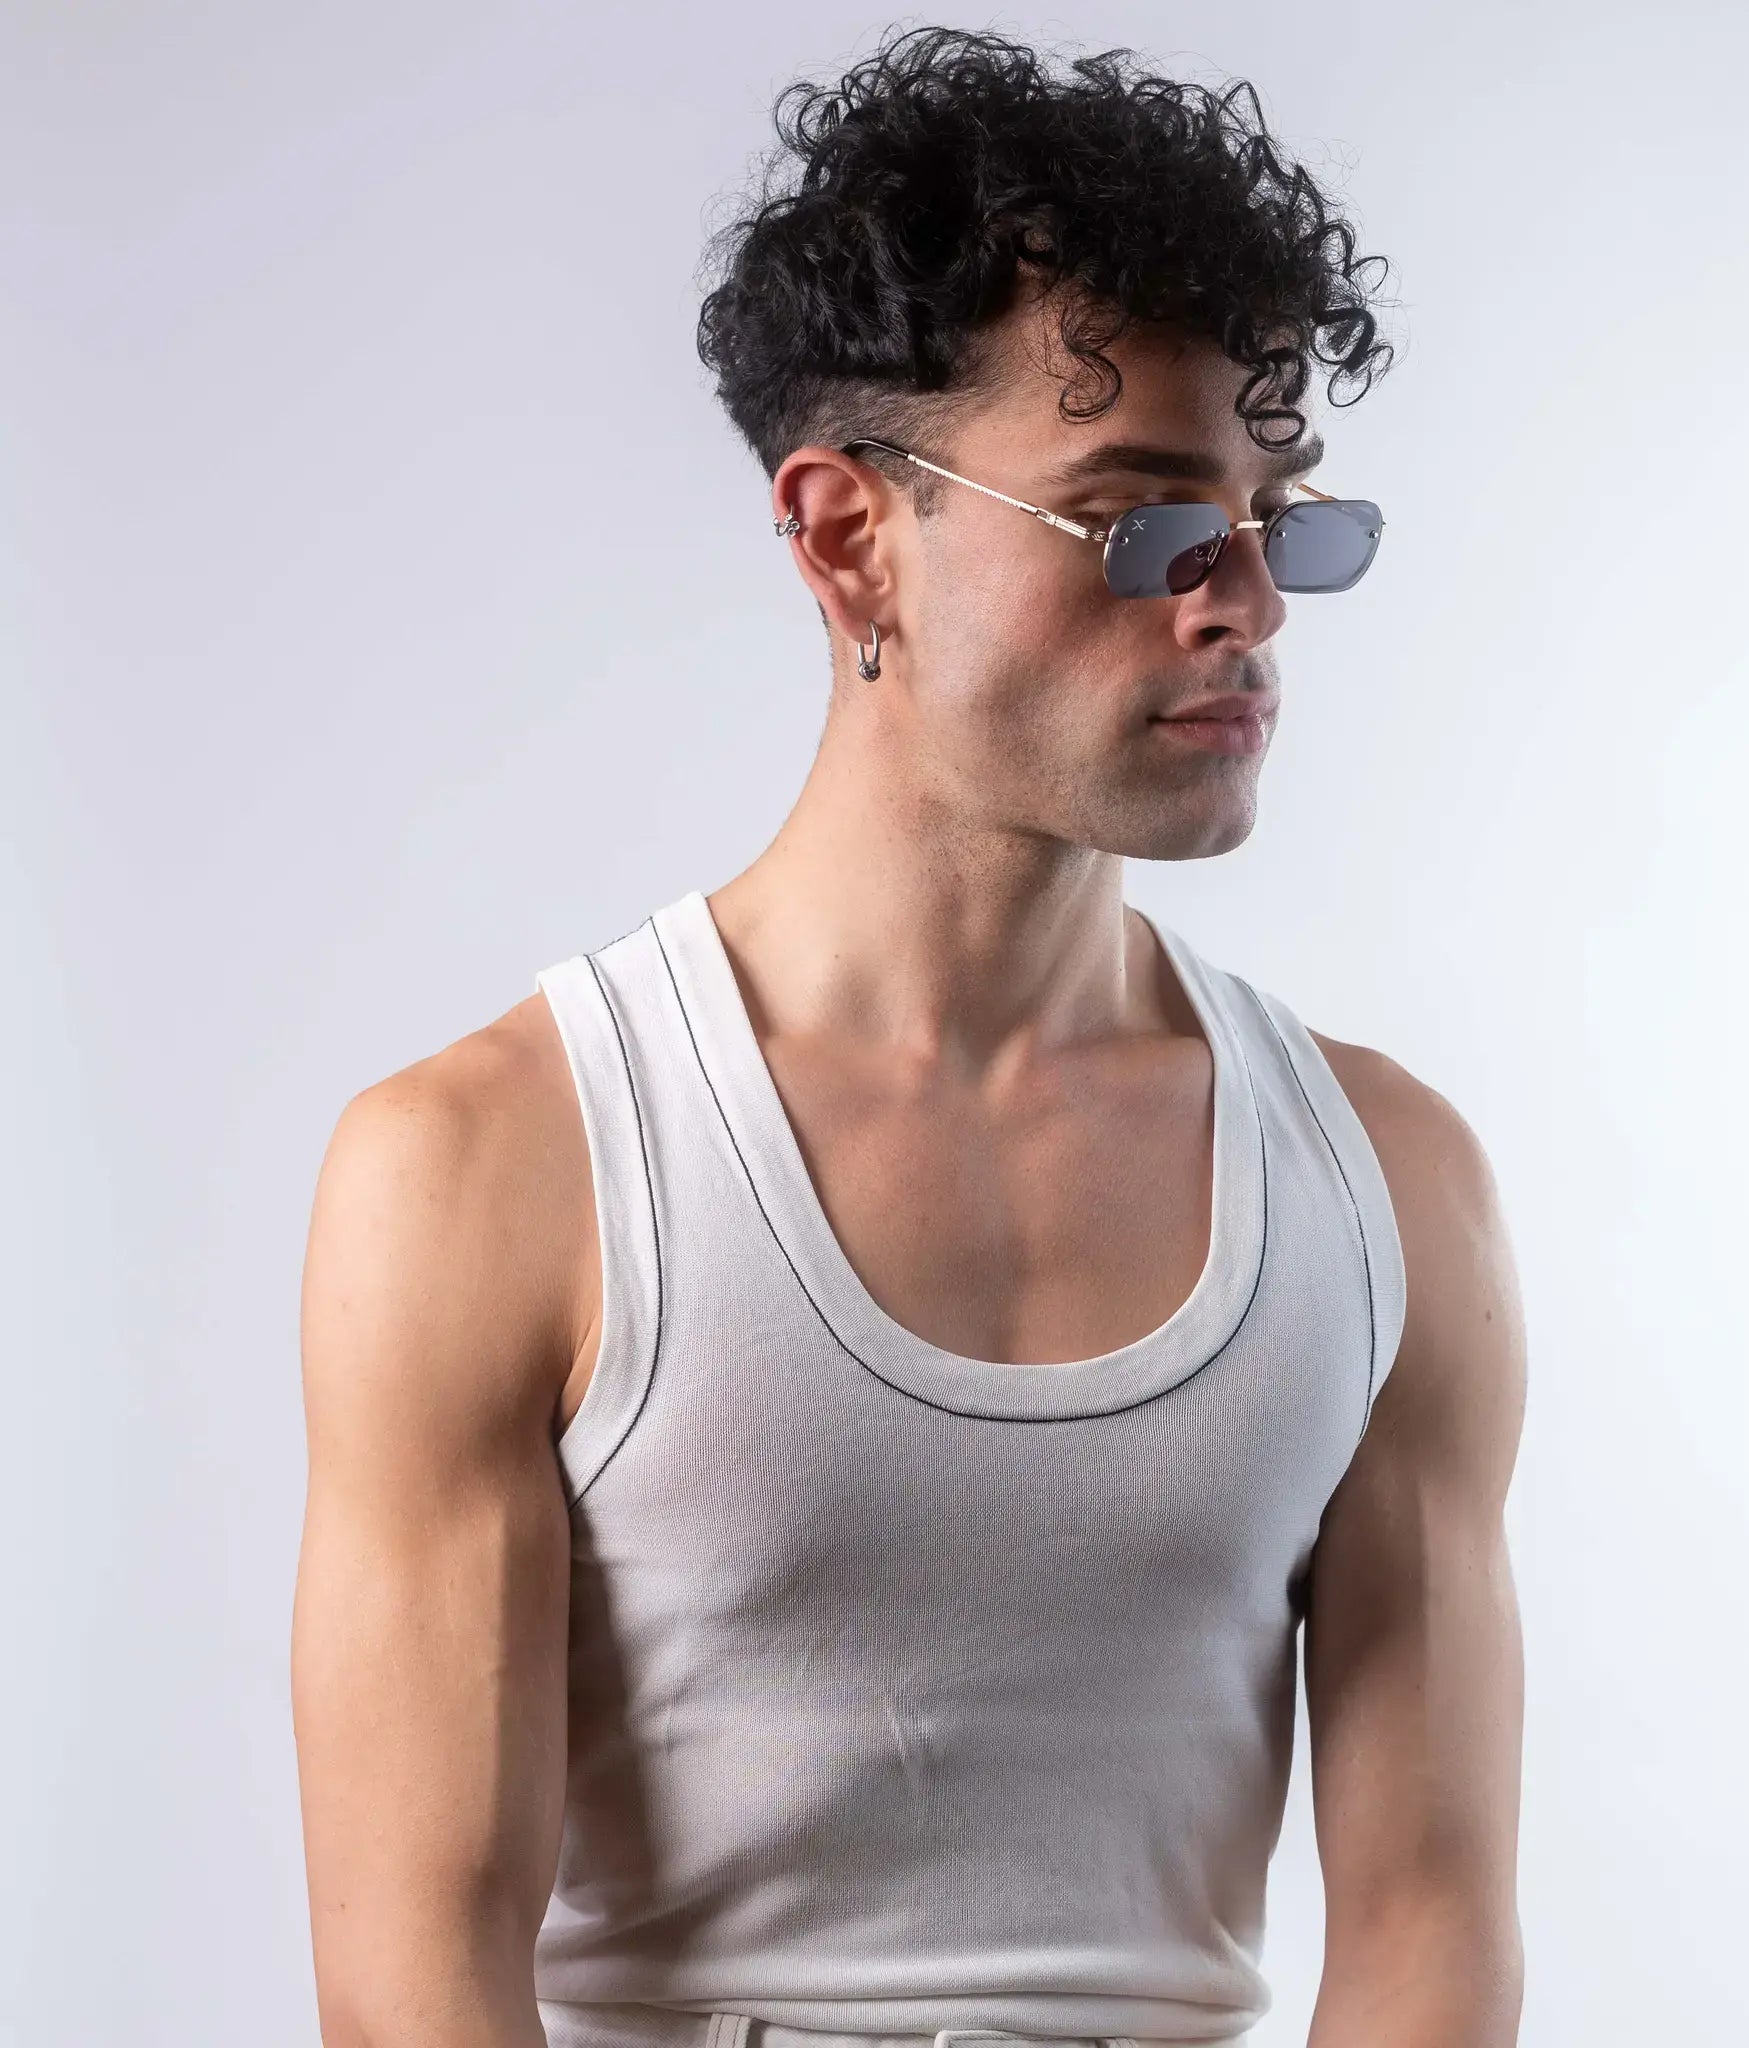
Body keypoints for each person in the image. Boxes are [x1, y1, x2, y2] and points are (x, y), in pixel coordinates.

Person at [291, 26, 1527, 2048]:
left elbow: (1427, 1921)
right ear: (848, 536)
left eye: (1275, 517)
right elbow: (417, 1968)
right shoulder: (494, 1163)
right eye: (1140, 523)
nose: (1246, 605)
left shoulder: (1389, 1183)